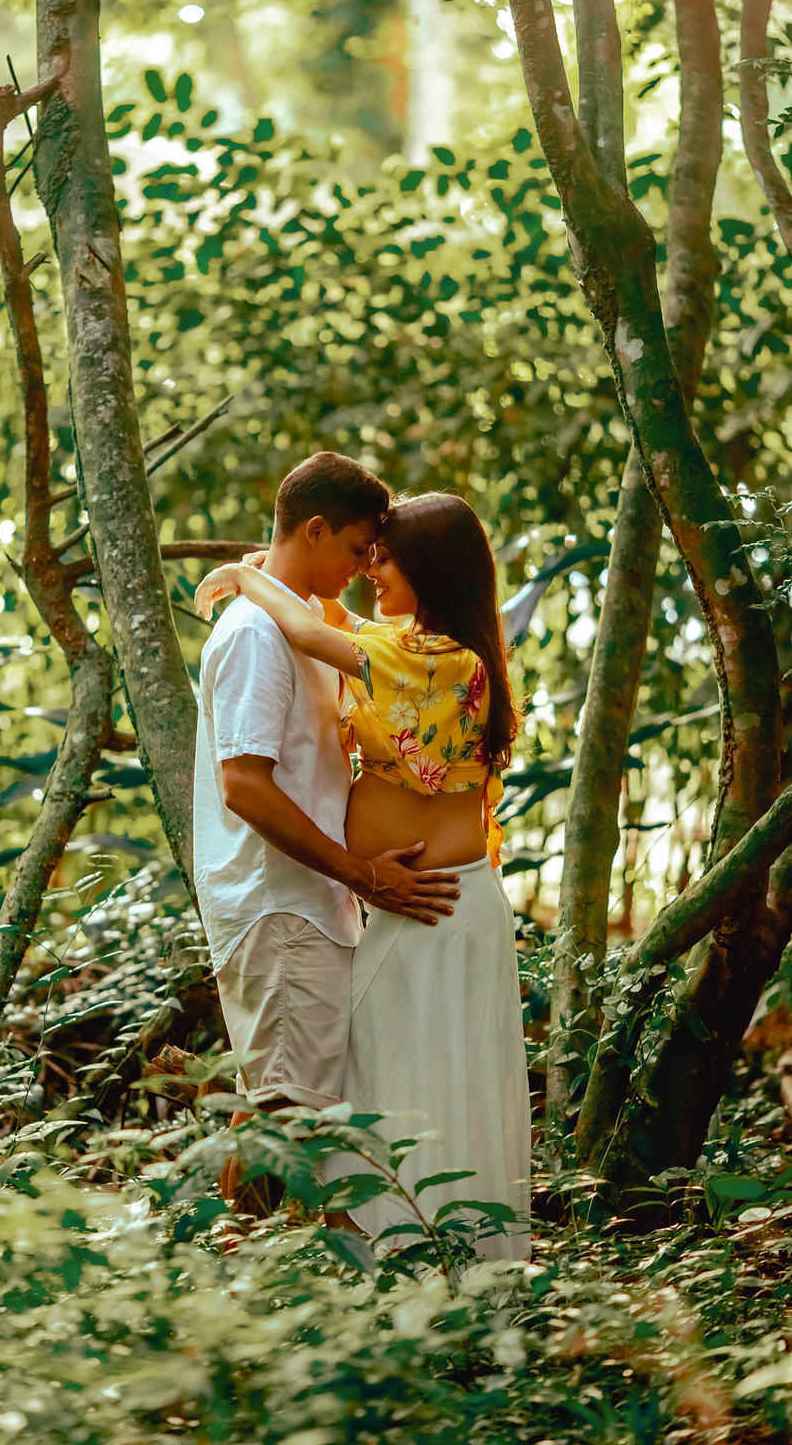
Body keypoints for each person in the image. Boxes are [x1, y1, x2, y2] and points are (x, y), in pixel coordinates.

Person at [196, 491, 531, 1260]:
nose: (370, 569)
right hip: (403, 907)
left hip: (434, 909)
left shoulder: (442, 660)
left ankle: (452, 1272)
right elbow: (332, 624)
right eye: (366, 551)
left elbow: (314, 628)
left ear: (429, 566)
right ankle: (394, 1268)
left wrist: (244, 575)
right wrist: (265, 573)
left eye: (384, 556)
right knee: (383, 1085)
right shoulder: (408, 645)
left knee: (432, 1083)